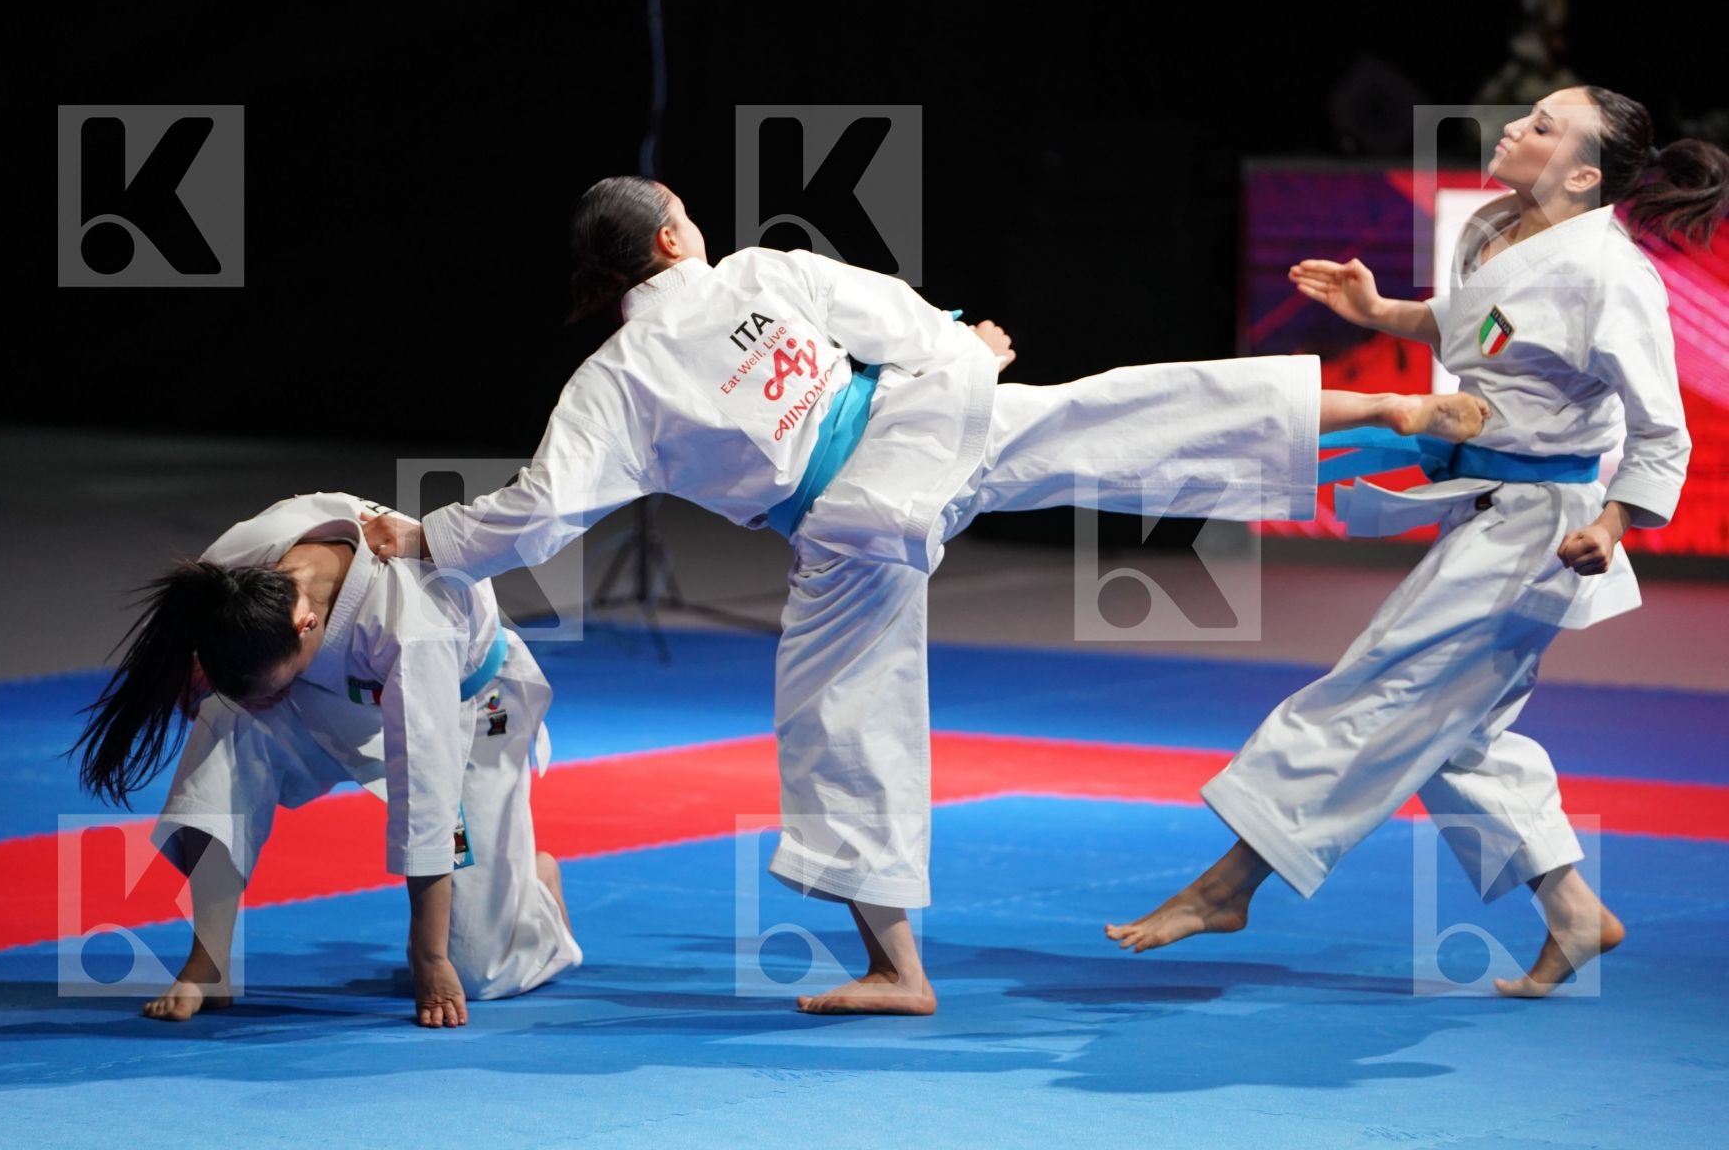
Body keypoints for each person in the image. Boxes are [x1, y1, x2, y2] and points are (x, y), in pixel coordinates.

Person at [361, 176, 1491, 1015]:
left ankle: (898, 969)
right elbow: (885, 310)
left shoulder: (613, 380)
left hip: (854, 524)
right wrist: (962, 349)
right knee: (1122, 417)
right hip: (923, 425)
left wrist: (431, 539)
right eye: (682, 212)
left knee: (840, 721)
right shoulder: (755, 271)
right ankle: (1376, 422)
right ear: (671, 236)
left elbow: (547, 506)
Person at [1107, 85, 1721, 997]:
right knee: (1458, 728)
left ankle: (1227, 886)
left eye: (1545, 127)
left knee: (1377, 687)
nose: (1517, 126)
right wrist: (1381, 311)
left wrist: (1614, 522)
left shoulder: (1611, 275)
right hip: (1485, 506)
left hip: (1539, 534)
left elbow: (1663, 430)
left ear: (1585, 174)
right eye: (1528, 115)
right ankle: (1573, 912)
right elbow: (1474, 330)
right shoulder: (1496, 227)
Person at [69, 492, 580, 1027]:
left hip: (468, 706)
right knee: (227, 720)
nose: (259, 702)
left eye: (270, 687)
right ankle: (208, 961)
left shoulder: (412, 625)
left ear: (304, 623)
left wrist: (430, 959)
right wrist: (201, 675)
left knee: (479, 971)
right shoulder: (243, 567)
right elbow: (210, 649)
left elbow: (426, 798)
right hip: (331, 694)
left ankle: (534, 887)